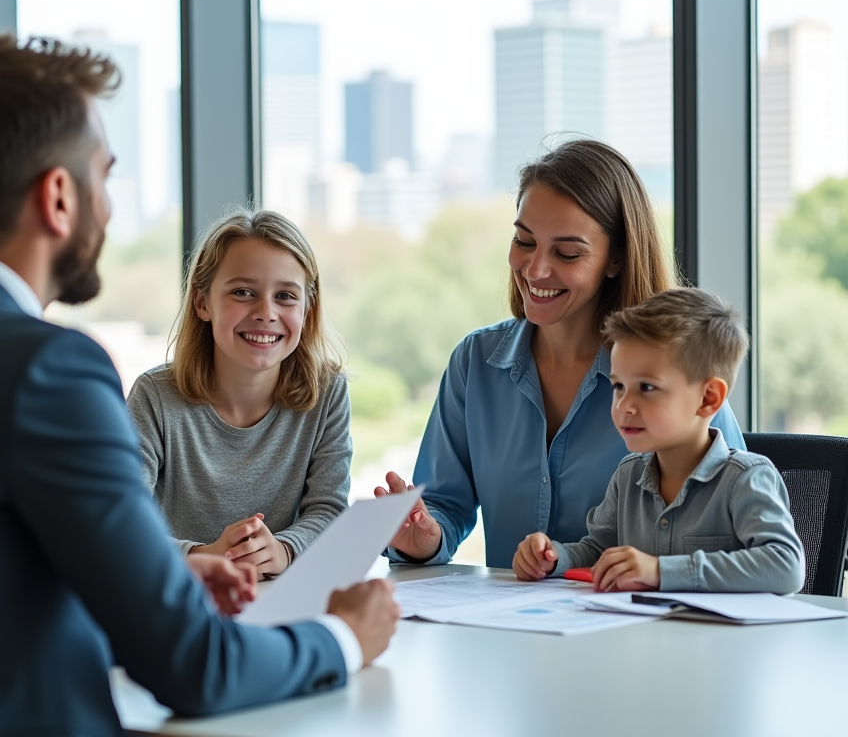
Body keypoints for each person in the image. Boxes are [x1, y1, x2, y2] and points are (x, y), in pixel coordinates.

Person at [0, 29, 398, 737]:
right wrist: (344, 636)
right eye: (106, 173)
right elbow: (194, 667)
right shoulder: (47, 369)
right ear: (59, 196)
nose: (111, 204)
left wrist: (166, 576)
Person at [376, 139, 745, 568]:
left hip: (643, 626)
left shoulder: (676, 373)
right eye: (524, 241)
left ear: (616, 260)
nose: (535, 270)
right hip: (514, 625)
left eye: (567, 253)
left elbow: (732, 523)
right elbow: (442, 502)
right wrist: (423, 537)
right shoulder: (475, 363)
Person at [512, 288, 805, 594]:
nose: (625, 405)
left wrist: (660, 571)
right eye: (619, 386)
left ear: (708, 398)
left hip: (722, 640)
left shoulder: (745, 479)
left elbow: (785, 566)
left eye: (647, 387)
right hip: (645, 636)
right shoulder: (628, 476)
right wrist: (555, 557)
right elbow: (599, 550)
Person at [127, 209, 349, 580]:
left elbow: (328, 510)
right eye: (243, 292)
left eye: (285, 296)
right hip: (179, 598)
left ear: (308, 310)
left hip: (279, 601)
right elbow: (121, 518)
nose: (266, 312)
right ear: (202, 303)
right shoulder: (154, 397)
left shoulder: (327, 392)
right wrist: (200, 555)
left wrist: (283, 549)